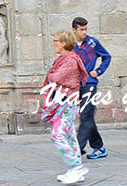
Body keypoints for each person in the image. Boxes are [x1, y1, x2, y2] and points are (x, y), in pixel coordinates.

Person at [43, 30, 89, 184]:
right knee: (69, 136)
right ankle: (76, 169)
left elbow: (55, 77)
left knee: (57, 135)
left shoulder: (69, 60)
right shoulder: (63, 59)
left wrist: (51, 75)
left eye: (56, 40)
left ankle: (76, 167)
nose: (54, 43)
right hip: (65, 102)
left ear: (63, 43)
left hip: (68, 103)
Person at [73, 16, 111, 160]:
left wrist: (98, 71)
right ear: (74, 30)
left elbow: (107, 57)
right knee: (87, 117)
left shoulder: (92, 43)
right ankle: (99, 147)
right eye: (81, 30)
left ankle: (77, 148)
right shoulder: (71, 45)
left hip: (89, 84)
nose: (84, 32)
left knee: (86, 116)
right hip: (76, 85)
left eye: (85, 29)